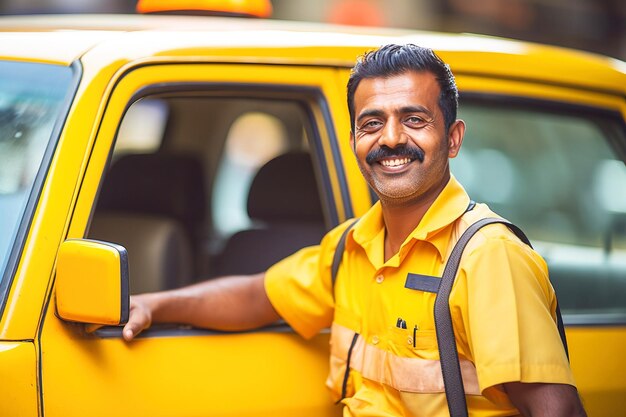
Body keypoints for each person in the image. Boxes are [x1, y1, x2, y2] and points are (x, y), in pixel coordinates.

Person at [123, 44, 587, 417]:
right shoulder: (352, 245)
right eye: (371, 123)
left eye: (414, 119)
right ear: (353, 143)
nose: (389, 138)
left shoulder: (486, 257)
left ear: (453, 137)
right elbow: (257, 296)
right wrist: (154, 303)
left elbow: (557, 410)